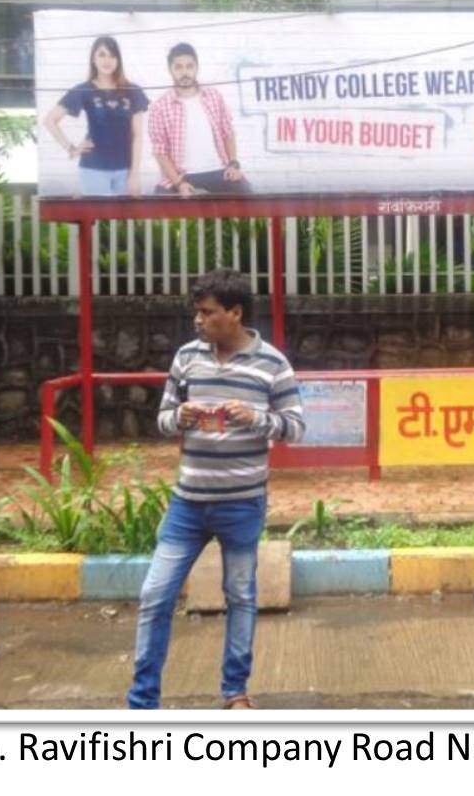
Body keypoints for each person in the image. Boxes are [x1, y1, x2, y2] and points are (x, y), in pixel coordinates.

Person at [128, 269, 304, 710]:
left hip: (243, 503)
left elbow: (296, 428)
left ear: (235, 313)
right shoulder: (187, 357)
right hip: (187, 504)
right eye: (197, 311)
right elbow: (163, 420)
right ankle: (142, 702)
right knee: (155, 595)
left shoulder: (273, 364)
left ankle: (235, 692)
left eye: (207, 312)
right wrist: (180, 417)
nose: (198, 320)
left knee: (241, 596)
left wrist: (256, 418)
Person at [43, 35, 149, 196]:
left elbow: (138, 136)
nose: (107, 60)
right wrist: (71, 148)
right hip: (93, 170)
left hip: (125, 170)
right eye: (102, 54)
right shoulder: (84, 90)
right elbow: (50, 120)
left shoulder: (133, 91)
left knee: (123, 221)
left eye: (112, 55)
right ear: (93, 59)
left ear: (118, 60)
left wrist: (134, 175)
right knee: (98, 221)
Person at [146, 42, 251, 196]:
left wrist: (233, 164)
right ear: (171, 70)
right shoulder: (160, 107)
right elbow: (160, 152)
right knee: (160, 199)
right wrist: (179, 183)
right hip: (182, 175)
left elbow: (228, 132)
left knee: (245, 191)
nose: (185, 72)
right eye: (179, 67)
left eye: (189, 66)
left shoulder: (214, 97)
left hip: (218, 170)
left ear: (196, 68)